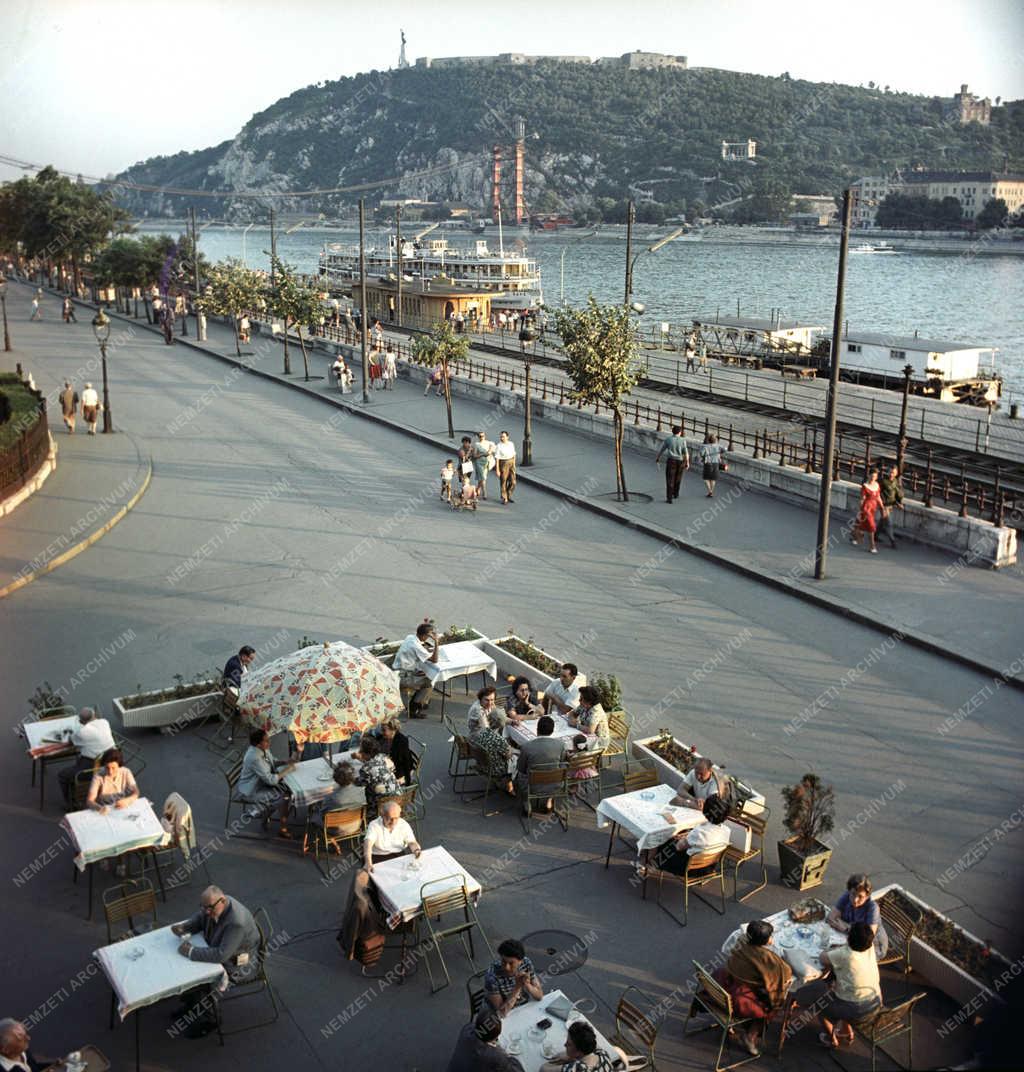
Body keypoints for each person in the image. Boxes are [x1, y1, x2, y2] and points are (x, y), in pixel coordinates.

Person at [172, 886, 262, 1039]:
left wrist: (191, 951)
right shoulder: (215, 905)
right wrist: (186, 927)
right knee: (190, 968)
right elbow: (201, 917)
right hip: (225, 951)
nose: (206, 911)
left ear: (223, 900)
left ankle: (211, 1020)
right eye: (203, 907)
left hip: (239, 965)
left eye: (209, 908)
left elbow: (221, 955)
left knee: (203, 980)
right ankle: (191, 1004)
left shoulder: (236, 923)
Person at [718, 920, 793, 1057]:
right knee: (772, 1005)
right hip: (739, 999)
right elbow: (785, 974)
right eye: (770, 936)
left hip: (724, 985)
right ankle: (750, 1036)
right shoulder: (769, 960)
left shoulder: (741, 941)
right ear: (767, 941)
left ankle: (733, 1026)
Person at [813, 922, 882, 1049]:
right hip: (876, 1002)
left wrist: (833, 950)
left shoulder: (845, 954)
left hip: (856, 1010)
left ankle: (831, 1039)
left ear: (849, 937)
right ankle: (847, 1031)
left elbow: (822, 958)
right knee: (847, 993)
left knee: (819, 1006)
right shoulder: (870, 947)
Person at [650, 792, 730, 876]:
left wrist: (680, 838)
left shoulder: (699, 832)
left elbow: (679, 847)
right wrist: (688, 836)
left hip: (690, 870)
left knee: (660, 841)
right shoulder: (726, 831)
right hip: (708, 867)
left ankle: (646, 866)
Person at [238, 729, 296, 838]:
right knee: (284, 797)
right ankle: (278, 825)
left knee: (286, 791)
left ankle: (266, 816)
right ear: (258, 744)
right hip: (252, 791)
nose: (269, 742)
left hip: (261, 784)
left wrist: (285, 762)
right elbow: (271, 780)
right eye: (266, 741)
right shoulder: (254, 757)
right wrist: (287, 770)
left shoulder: (263, 749)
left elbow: (272, 761)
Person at [58, 706, 116, 804]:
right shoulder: (104, 722)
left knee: (63, 775)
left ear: (81, 722)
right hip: (112, 762)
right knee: (80, 759)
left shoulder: (82, 732)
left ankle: (70, 803)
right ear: (94, 715)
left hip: (94, 768)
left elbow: (70, 742)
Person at [827, 874, 889, 959]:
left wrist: (846, 929)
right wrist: (847, 929)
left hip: (873, 946)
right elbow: (831, 918)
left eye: (860, 896)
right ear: (849, 891)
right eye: (853, 894)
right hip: (851, 938)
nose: (855, 900)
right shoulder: (847, 896)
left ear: (867, 897)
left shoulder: (872, 908)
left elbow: (866, 939)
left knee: (840, 957)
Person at [516, 715, 567, 815]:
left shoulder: (527, 746)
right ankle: (549, 801)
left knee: (519, 774)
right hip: (555, 784)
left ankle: (527, 803)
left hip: (532, 786)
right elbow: (562, 763)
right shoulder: (560, 745)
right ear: (552, 731)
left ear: (537, 729)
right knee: (558, 769)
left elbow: (521, 768)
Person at [446, 1010, 526, 1072]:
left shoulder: (467, 1029)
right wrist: (505, 1055)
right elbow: (517, 1070)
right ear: (494, 1039)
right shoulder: (493, 1055)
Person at [485, 938, 544, 1015]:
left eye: (511, 963)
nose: (507, 967)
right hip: (504, 1013)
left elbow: (539, 996)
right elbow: (501, 1012)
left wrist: (527, 984)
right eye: (503, 961)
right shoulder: (492, 977)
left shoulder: (526, 963)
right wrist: (518, 987)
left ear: (521, 961)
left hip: (523, 1007)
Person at [393, 621, 439, 718]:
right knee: (429, 683)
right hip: (404, 677)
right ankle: (413, 708)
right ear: (424, 636)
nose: (429, 638)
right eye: (428, 636)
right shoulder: (417, 646)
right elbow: (435, 660)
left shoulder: (410, 637)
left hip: (399, 670)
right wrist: (436, 642)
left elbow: (419, 650)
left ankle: (421, 701)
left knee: (424, 674)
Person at [362, 800, 420, 872]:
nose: (393, 822)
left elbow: (412, 842)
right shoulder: (374, 825)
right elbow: (368, 843)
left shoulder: (403, 824)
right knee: (363, 875)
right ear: (382, 815)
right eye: (390, 818)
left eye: (396, 818)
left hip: (398, 854)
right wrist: (368, 862)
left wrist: (416, 850)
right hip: (378, 856)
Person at [541, 1020, 618, 1072]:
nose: (564, 1045)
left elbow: (543, 1069)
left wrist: (568, 1058)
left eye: (569, 1044)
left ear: (578, 1052)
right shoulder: (603, 1054)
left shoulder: (577, 1069)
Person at [355, 735, 401, 808]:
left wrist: (349, 779)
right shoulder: (383, 756)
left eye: (361, 750)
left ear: (366, 753)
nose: (359, 752)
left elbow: (359, 783)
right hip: (397, 798)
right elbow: (392, 767)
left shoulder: (366, 769)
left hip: (381, 806)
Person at [367, 718, 416, 785]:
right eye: (382, 729)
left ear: (393, 730)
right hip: (387, 764)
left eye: (384, 730)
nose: (382, 732)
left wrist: (407, 779)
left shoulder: (401, 741)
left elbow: (406, 761)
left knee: (374, 778)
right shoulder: (383, 738)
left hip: (398, 768)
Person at [655, 425, 690, 503]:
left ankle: (669, 498)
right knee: (678, 478)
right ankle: (676, 493)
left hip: (671, 461)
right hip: (680, 461)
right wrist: (687, 462)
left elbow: (662, 449)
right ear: (680, 432)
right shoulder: (683, 440)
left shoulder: (668, 439)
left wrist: (658, 457)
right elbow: (686, 453)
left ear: (672, 432)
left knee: (670, 479)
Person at [851, 467, 882, 553]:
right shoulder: (865, 486)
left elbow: (878, 497)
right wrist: (861, 509)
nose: (873, 478)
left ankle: (855, 535)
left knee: (859, 523)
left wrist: (882, 507)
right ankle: (872, 546)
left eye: (875, 477)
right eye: (872, 476)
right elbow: (862, 499)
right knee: (871, 527)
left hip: (873, 508)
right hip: (866, 509)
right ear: (869, 476)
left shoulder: (877, 485)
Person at [877, 465, 904, 550]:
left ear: (896, 474)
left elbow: (895, 494)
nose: (891, 474)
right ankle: (892, 541)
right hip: (883, 505)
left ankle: (875, 535)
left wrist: (899, 503)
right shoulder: (883, 481)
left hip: (890, 505)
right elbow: (878, 493)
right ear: (887, 472)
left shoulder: (895, 481)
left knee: (882, 521)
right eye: (890, 472)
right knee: (889, 523)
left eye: (893, 473)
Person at [699, 433, 726, 497]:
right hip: (716, 463)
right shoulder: (718, 446)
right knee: (713, 479)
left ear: (709, 440)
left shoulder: (705, 446)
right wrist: (719, 453)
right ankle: (712, 491)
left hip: (708, 463)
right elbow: (724, 449)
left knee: (706, 478)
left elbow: (701, 454)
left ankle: (710, 491)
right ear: (715, 440)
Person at [495, 430, 517, 504]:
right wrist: (497, 470)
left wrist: (514, 464)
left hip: (511, 462)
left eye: (503, 437)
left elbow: (514, 454)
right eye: (501, 437)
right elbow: (497, 458)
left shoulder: (511, 444)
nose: (502, 438)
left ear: (507, 437)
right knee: (503, 481)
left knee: (513, 482)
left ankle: (508, 494)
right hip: (503, 463)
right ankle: (504, 498)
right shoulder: (498, 445)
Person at [473, 429, 496, 500]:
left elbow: (493, 451)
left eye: (483, 436)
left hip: (486, 462)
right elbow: (474, 456)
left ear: (485, 436)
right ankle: (484, 493)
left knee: (483, 477)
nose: (482, 437)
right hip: (479, 463)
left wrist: (490, 451)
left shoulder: (489, 443)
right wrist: (483, 454)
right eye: (480, 436)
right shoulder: (477, 444)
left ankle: (477, 489)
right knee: (483, 477)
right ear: (478, 437)